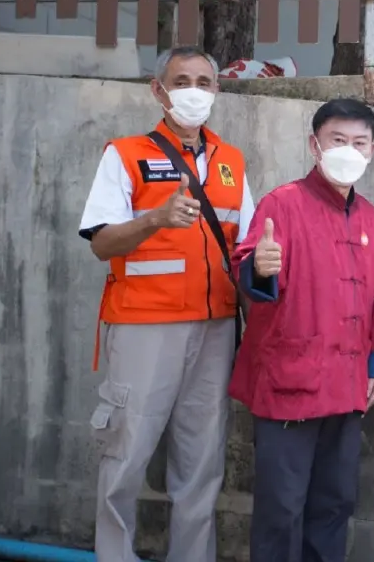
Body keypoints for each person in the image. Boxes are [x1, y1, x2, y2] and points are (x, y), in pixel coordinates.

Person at [79, 46, 254, 562]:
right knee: (127, 453)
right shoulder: (126, 153)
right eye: (182, 81)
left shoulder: (232, 162)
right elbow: (100, 243)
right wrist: (154, 218)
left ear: (216, 91)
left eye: (203, 81)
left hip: (215, 327)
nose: (194, 91)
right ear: (159, 90)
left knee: (202, 462)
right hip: (144, 326)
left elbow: (243, 247)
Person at [229, 98, 374, 562]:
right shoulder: (283, 203)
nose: (348, 149)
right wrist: (259, 267)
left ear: (372, 150)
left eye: (359, 142)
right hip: (289, 382)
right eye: (337, 140)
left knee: (335, 503)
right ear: (314, 145)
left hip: (348, 385)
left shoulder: (371, 220)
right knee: (282, 508)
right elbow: (249, 265)